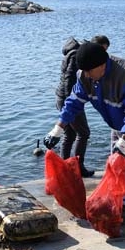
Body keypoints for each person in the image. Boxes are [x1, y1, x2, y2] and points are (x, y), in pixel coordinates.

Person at [44, 41, 125, 222]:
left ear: (103, 65)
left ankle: (123, 211)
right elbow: (74, 102)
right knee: (116, 163)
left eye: (90, 71)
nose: (87, 75)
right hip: (117, 122)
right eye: (84, 72)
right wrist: (58, 128)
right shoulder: (85, 75)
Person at [54, 37, 94, 177]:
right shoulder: (76, 56)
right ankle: (78, 167)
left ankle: (64, 169)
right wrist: (70, 102)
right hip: (69, 98)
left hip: (62, 97)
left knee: (69, 134)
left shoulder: (70, 54)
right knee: (83, 133)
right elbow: (69, 79)